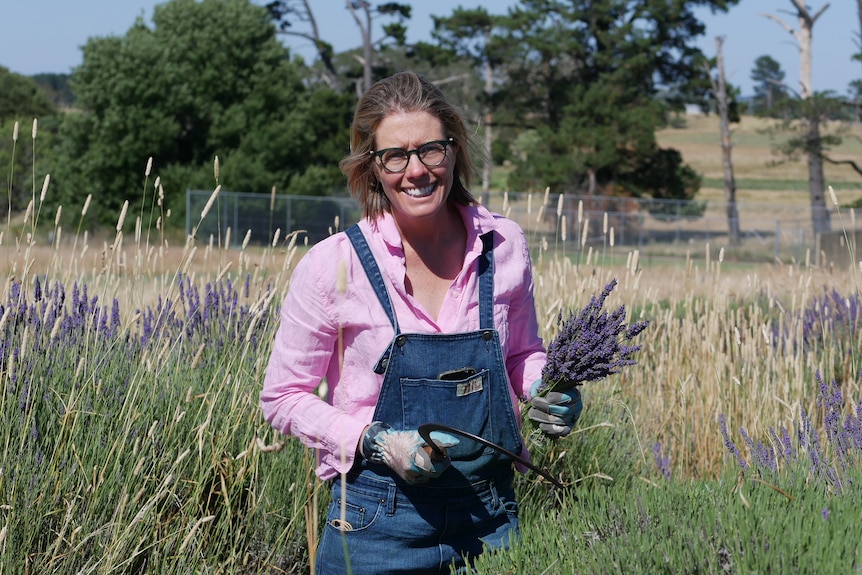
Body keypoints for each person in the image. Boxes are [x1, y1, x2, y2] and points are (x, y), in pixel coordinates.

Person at [260, 70, 581, 575]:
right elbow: (283, 397)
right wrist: (373, 440)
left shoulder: (504, 244)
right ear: (372, 167)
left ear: (453, 151)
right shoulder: (332, 266)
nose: (417, 170)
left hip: (490, 519)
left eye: (431, 149)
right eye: (395, 156)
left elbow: (519, 354)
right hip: (375, 524)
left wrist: (547, 387)